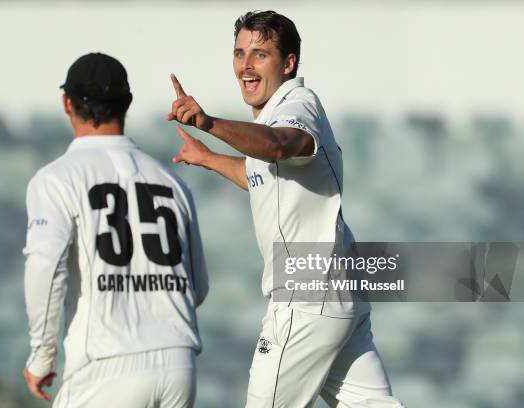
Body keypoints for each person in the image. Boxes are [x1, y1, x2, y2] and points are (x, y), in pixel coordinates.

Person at [168, 11, 404, 408]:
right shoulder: (274, 118)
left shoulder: (298, 104)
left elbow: (280, 145)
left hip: (306, 297)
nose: (245, 64)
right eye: (240, 53)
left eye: (260, 54)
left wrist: (207, 122)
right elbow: (263, 174)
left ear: (288, 63)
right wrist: (209, 159)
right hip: (336, 291)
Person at [22, 52, 208, 408]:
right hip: (178, 363)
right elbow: (197, 287)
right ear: (128, 103)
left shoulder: (55, 178)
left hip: (106, 365)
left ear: (67, 103)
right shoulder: (171, 182)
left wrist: (42, 356)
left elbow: (46, 267)